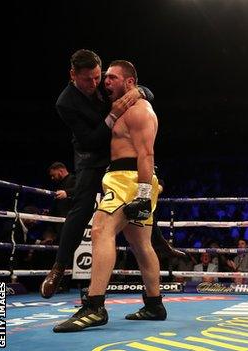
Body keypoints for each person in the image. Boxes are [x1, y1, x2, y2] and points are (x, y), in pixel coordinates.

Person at [41, 49, 183, 299]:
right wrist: (114, 114)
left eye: (99, 77)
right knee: (82, 207)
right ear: (73, 75)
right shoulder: (66, 102)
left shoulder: (107, 83)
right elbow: (88, 140)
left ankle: (159, 245)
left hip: (118, 157)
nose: (96, 84)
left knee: (145, 181)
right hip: (90, 158)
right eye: (88, 79)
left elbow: (138, 87)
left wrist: (139, 92)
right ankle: (59, 267)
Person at [54, 60, 165, 332]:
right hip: (126, 179)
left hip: (128, 179)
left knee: (101, 229)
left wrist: (141, 193)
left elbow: (146, 153)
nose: (106, 82)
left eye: (112, 78)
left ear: (129, 83)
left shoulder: (139, 110)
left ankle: (94, 306)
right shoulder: (121, 107)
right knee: (141, 244)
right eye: (106, 77)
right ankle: (154, 304)